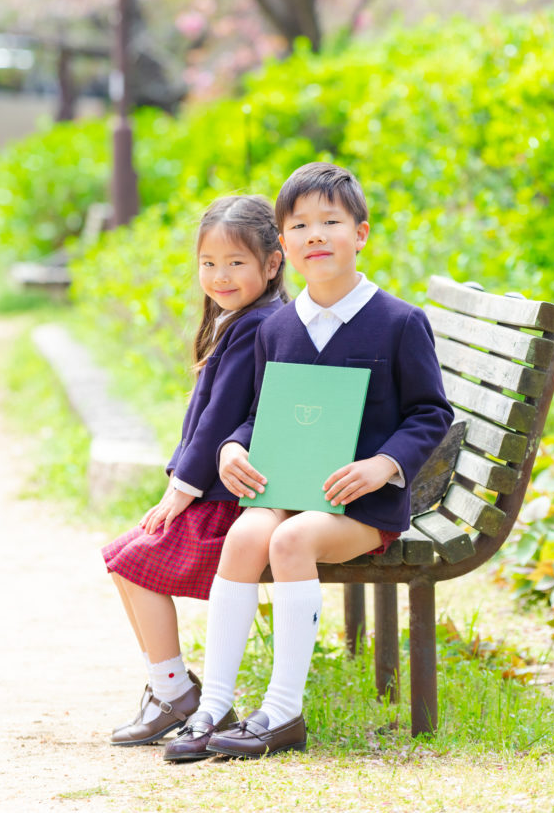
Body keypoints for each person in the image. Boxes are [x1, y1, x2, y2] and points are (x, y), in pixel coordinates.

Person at [163, 162, 453, 763]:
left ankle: (282, 711)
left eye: (331, 222)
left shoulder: (399, 323)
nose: (315, 235)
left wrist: (383, 465)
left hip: (362, 503)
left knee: (291, 540)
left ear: (361, 234)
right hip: (291, 485)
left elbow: (430, 413)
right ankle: (214, 705)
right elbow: (260, 414)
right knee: (246, 535)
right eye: (300, 225)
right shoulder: (280, 327)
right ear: (284, 244)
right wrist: (232, 447)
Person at [103, 195, 287, 746]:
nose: (220, 276)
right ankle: (170, 688)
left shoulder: (259, 326)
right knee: (124, 557)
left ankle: (175, 693)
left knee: (133, 562)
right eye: (209, 263)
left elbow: (219, 424)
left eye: (236, 263)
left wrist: (178, 494)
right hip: (218, 489)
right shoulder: (244, 319)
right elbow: (205, 420)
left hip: (231, 500)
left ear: (272, 263)